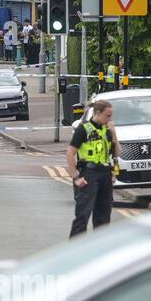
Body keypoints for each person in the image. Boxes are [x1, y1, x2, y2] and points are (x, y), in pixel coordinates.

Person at [65, 98, 120, 238]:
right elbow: (70, 153)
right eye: (107, 115)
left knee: (103, 217)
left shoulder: (107, 131)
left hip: (105, 174)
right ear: (97, 113)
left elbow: (117, 153)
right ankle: (75, 251)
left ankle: (99, 251)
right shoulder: (84, 129)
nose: (110, 119)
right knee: (83, 215)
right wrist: (75, 177)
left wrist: (114, 134)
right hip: (88, 174)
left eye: (111, 116)